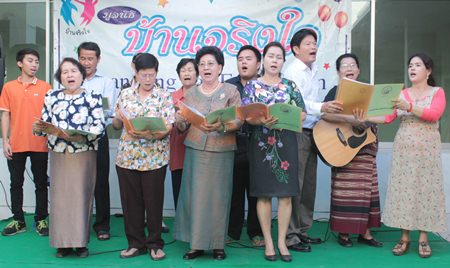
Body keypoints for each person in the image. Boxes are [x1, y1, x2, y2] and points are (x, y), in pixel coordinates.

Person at [367, 53, 446, 258]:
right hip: (404, 148)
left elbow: (434, 114)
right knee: (404, 190)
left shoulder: (437, 92)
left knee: (425, 190)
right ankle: (404, 237)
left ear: (428, 71)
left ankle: (423, 238)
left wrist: (409, 106)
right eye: (410, 65)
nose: (412, 68)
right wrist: (365, 116)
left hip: (427, 148)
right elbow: (387, 117)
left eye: (417, 65)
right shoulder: (401, 94)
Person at [173, 46, 242, 261]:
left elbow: (239, 120)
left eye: (210, 63)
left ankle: (218, 245)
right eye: (202, 64)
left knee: (219, 198)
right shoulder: (190, 93)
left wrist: (222, 127)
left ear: (220, 67)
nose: (206, 68)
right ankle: (196, 245)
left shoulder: (231, 91)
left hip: (222, 150)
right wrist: (180, 120)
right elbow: (183, 124)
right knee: (195, 198)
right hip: (195, 149)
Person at [32, 57, 105, 258]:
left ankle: (80, 243)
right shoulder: (51, 96)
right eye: (65, 72)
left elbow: (100, 126)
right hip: (59, 152)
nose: (70, 75)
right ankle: (62, 244)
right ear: (60, 77)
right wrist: (39, 127)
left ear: (82, 75)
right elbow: (44, 121)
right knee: (60, 198)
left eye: (74, 71)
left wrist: (82, 134)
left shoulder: (93, 97)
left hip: (83, 153)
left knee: (81, 197)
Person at [242, 41, 305, 262]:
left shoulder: (290, 86)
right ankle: (268, 241)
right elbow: (246, 115)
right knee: (264, 194)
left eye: (279, 57)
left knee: (286, 195)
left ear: (283, 61)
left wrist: (287, 118)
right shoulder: (252, 86)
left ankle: (282, 241)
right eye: (271, 56)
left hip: (286, 142)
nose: (275, 60)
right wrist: (261, 119)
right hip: (261, 143)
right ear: (264, 60)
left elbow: (303, 114)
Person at [283, 28, 343, 252]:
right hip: (296, 133)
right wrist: (322, 107)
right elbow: (296, 102)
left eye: (314, 43)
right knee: (295, 186)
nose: (313, 47)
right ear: (296, 49)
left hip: (312, 133)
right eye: (308, 43)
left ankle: (302, 230)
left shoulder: (312, 69)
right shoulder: (293, 71)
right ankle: (289, 236)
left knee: (308, 186)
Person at [112, 53, 174, 261]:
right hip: (127, 157)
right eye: (143, 75)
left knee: (153, 202)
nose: (148, 80)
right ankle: (135, 243)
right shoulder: (125, 95)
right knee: (131, 203)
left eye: (151, 75)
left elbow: (168, 126)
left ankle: (155, 244)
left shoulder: (164, 96)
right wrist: (119, 118)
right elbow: (116, 125)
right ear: (135, 73)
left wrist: (150, 133)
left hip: (154, 158)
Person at [321, 53, 382, 248]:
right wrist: (349, 120)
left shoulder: (369, 93)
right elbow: (325, 116)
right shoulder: (334, 92)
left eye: (353, 64)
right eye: (344, 65)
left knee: (367, 190)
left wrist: (365, 121)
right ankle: (344, 233)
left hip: (365, 146)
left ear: (358, 70)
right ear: (338, 71)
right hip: (343, 147)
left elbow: (378, 116)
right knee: (345, 192)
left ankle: (365, 233)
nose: (349, 67)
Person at [0, 48, 51, 237]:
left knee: (40, 183)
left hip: (40, 143)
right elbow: (5, 115)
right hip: (16, 144)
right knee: (16, 183)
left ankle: (41, 220)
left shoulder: (46, 87)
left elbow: (51, 116)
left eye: (37, 61)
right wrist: (5, 141)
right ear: (20, 64)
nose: (34, 64)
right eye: (30, 61)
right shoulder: (9, 87)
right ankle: (18, 220)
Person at [77, 41, 118, 241]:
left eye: (90, 59)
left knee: (100, 181)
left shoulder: (106, 83)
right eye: (83, 58)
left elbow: (107, 110)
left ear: (98, 60)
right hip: (74, 139)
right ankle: (78, 224)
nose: (86, 62)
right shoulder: (70, 79)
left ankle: (102, 225)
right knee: (77, 182)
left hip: (98, 136)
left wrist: (84, 111)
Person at [225, 45, 264, 246]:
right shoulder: (229, 86)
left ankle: (256, 232)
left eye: (249, 59)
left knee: (256, 190)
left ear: (258, 64)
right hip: (233, 141)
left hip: (259, 142)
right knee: (235, 190)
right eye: (240, 59)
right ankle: (233, 231)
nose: (244, 62)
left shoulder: (264, 86)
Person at [170, 58, 198, 209]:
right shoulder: (171, 98)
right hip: (178, 150)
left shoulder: (204, 95)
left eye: (190, 70)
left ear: (197, 73)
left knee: (198, 193)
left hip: (199, 149)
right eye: (183, 70)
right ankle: (181, 229)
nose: (186, 73)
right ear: (179, 74)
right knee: (179, 191)